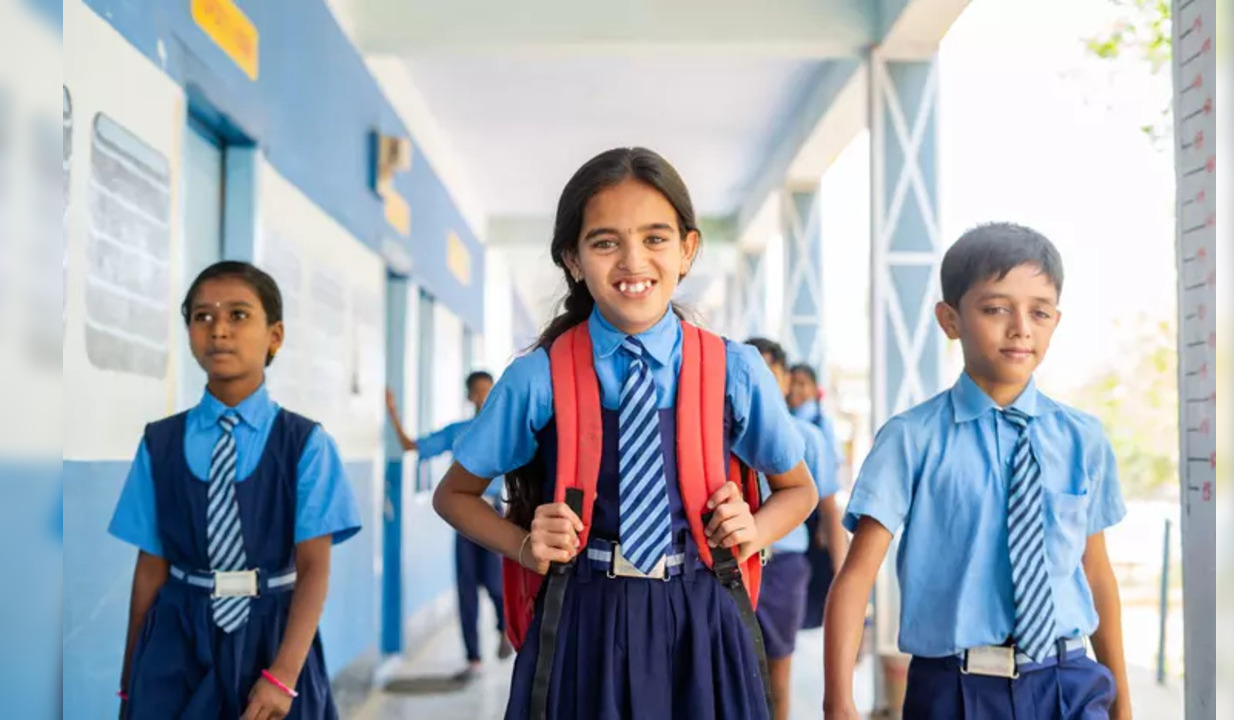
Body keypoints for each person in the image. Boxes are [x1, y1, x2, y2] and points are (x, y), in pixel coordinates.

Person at [432, 147, 818, 719]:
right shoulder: (539, 376)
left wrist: (754, 528)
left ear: (687, 250)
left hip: (703, 620)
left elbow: (799, 490)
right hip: (584, 616)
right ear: (573, 258)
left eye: (656, 238)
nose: (633, 261)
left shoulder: (733, 370)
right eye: (606, 242)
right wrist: (522, 543)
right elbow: (454, 495)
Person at [823, 223, 1131, 720]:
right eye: (995, 309)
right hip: (954, 690)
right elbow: (856, 577)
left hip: (1067, 682)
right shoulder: (911, 438)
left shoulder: (1082, 438)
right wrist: (838, 703)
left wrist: (1124, 708)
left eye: (1039, 312)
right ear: (950, 319)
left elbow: (1096, 573)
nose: (1020, 328)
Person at [109, 261, 361, 719]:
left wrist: (283, 676)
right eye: (202, 316)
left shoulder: (305, 444)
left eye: (238, 315)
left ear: (275, 336)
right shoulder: (159, 444)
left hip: (272, 633)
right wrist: (130, 681)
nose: (218, 329)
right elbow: (149, 568)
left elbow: (314, 571)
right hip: (177, 636)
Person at [384, 372, 513, 681]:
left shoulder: (506, 428)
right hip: (465, 516)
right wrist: (392, 413)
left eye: (487, 391)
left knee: (496, 582)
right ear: (469, 396)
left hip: (494, 514)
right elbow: (412, 445)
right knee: (466, 587)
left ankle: (506, 629)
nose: (482, 397)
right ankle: (473, 659)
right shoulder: (459, 432)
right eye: (477, 392)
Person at [744, 338, 847, 720]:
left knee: (778, 670)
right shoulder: (722, 433)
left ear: (787, 381)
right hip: (731, 566)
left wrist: (843, 574)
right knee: (728, 667)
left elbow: (829, 508)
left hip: (785, 566)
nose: (767, 384)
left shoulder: (808, 436)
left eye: (775, 375)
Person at [788, 362, 843, 631]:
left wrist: (824, 521)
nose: (797, 389)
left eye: (803, 383)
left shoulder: (819, 427)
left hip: (815, 511)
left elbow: (830, 480)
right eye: (793, 382)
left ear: (814, 388)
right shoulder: (783, 419)